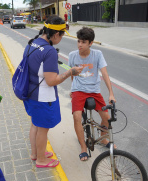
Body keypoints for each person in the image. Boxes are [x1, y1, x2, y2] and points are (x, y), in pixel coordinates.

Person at [22, 15, 84, 168]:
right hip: (43, 96)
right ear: (56, 34)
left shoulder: (33, 43)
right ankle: (41, 160)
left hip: (30, 92)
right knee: (43, 128)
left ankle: (35, 154)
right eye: (62, 35)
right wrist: (71, 72)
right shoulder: (49, 51)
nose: (61, 38)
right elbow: (51, 81)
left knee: (35, 125)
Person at [68, 27, 116, 161]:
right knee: (77, 116)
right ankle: (83, 147)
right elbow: (73, 74)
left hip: (94, 91)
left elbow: (105, 74)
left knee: (106, 116)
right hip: (78, 89)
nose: (79, 45)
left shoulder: (97, 54)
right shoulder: (72, 55)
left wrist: (111, 94)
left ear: (90, 43)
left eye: (83, 42)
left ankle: (103, 137)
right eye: (78, 41)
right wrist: (72, 90)